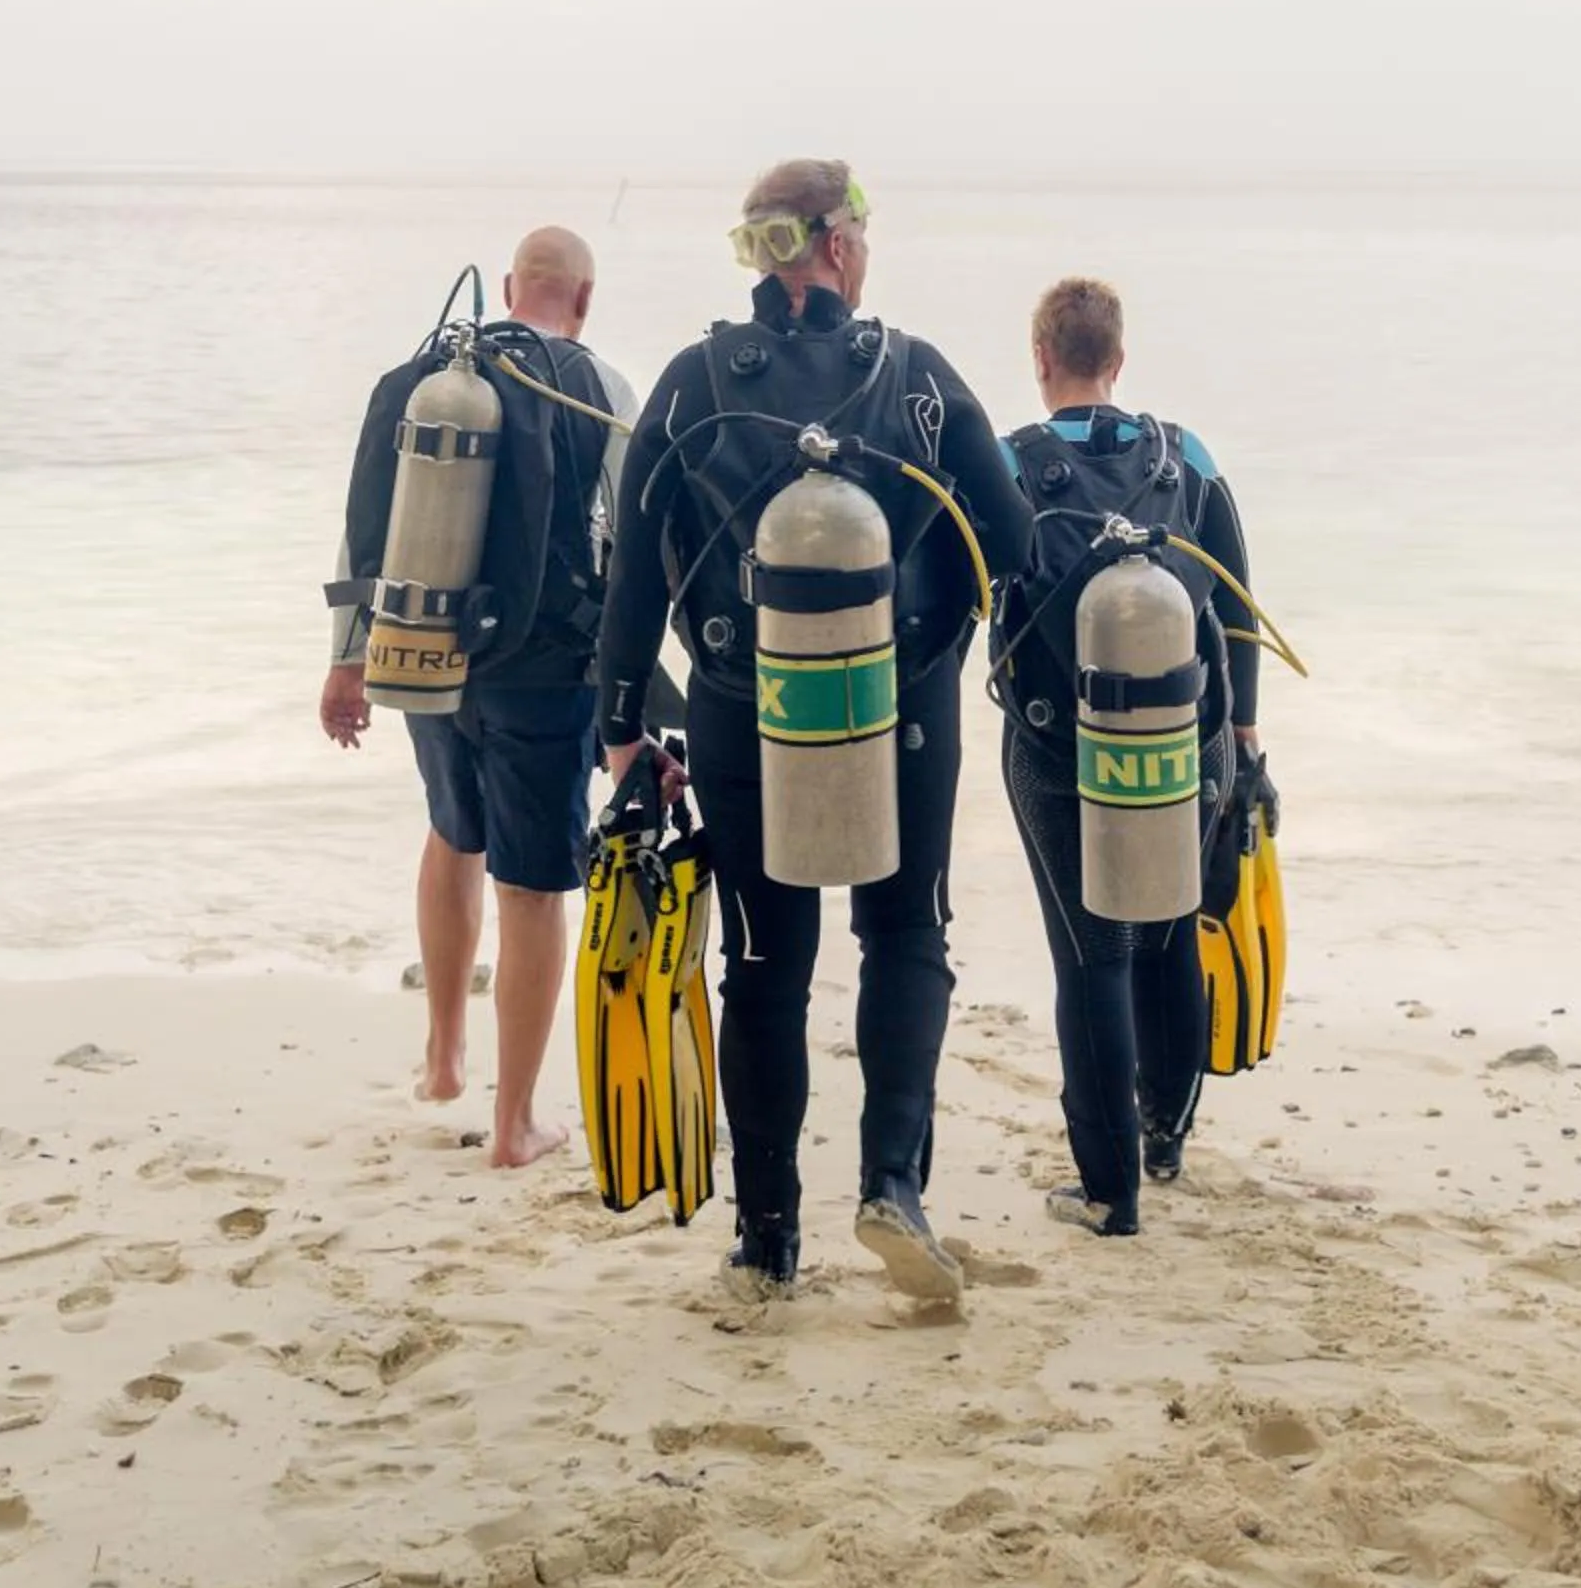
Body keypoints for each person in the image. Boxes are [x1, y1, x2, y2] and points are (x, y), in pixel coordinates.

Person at [598, 159, 1033, 1303]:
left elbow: (633, 586)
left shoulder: (690, 386)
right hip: (902, 715)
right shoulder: (919, 380)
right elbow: (1015, 537)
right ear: (837, 244)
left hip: (747, 715)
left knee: (761, 968)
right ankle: (892, 1184)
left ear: (760, 255)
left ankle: (766, 1234)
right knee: (904, 937)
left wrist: (619, 730)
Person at [320, 225, 652, 1169]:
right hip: (544, 673)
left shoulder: (425, 382)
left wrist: (346, 663)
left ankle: (441, 1058)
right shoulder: (599, 386)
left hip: (422, 656)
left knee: (451, 833)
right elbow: (630, 555)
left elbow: (366, 527)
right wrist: (630, 707)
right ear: (582, 300)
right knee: (535, 892)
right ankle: (515, 1126)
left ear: (509, 287)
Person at [993, 274, 1260, 1236]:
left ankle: (1110, 1192)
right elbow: (1236, 608)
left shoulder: (1007, 461)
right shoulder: (1184, 455)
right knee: (1168, 927)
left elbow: (956, 588)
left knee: (1090, 953)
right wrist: (1245, 743)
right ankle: (1166, 1138)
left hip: (1057, 749)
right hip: (1189, 736)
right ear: (1118, 360)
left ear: (1040, 359)